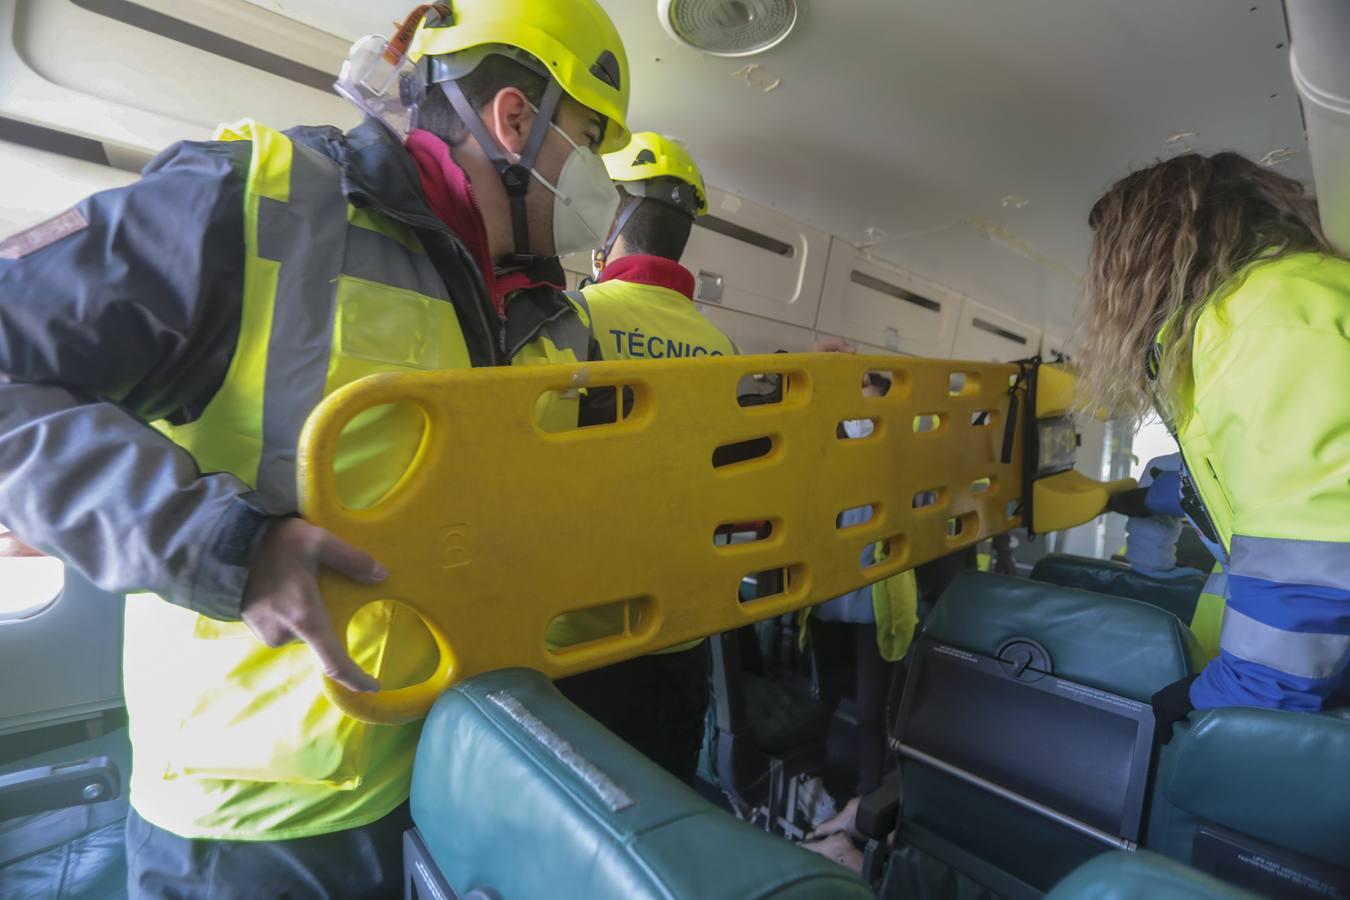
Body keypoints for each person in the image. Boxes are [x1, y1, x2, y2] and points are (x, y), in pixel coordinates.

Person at [0, 2, 631, 896]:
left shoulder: (555, 320)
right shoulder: (255, 202)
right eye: (594, 136)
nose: (604, 176)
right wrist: (224, 544)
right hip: (245, 825)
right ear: (516, 120)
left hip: (451, 772)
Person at [1077, 151, 1350, 741]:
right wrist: (1147, 496)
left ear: (1150, 250)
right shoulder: (1280, 306)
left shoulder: (1263, 322)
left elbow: (1313, 556)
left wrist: (1235, 698)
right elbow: (1258, 481)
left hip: (1293, 685)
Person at [550, 133, 733, 786]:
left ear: (612, 221)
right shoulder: (726, 348)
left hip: (582, 638)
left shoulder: (573, 317)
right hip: (682, 632)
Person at [800, 374, 920, 798]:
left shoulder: (904, 462)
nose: (861, 421)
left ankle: (869, 796)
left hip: (877, 606)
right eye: (855, 412)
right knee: (822, 696)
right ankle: (809, 779)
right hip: (826, 601)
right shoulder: (826, 457)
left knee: (872, 710)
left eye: (871, 411)